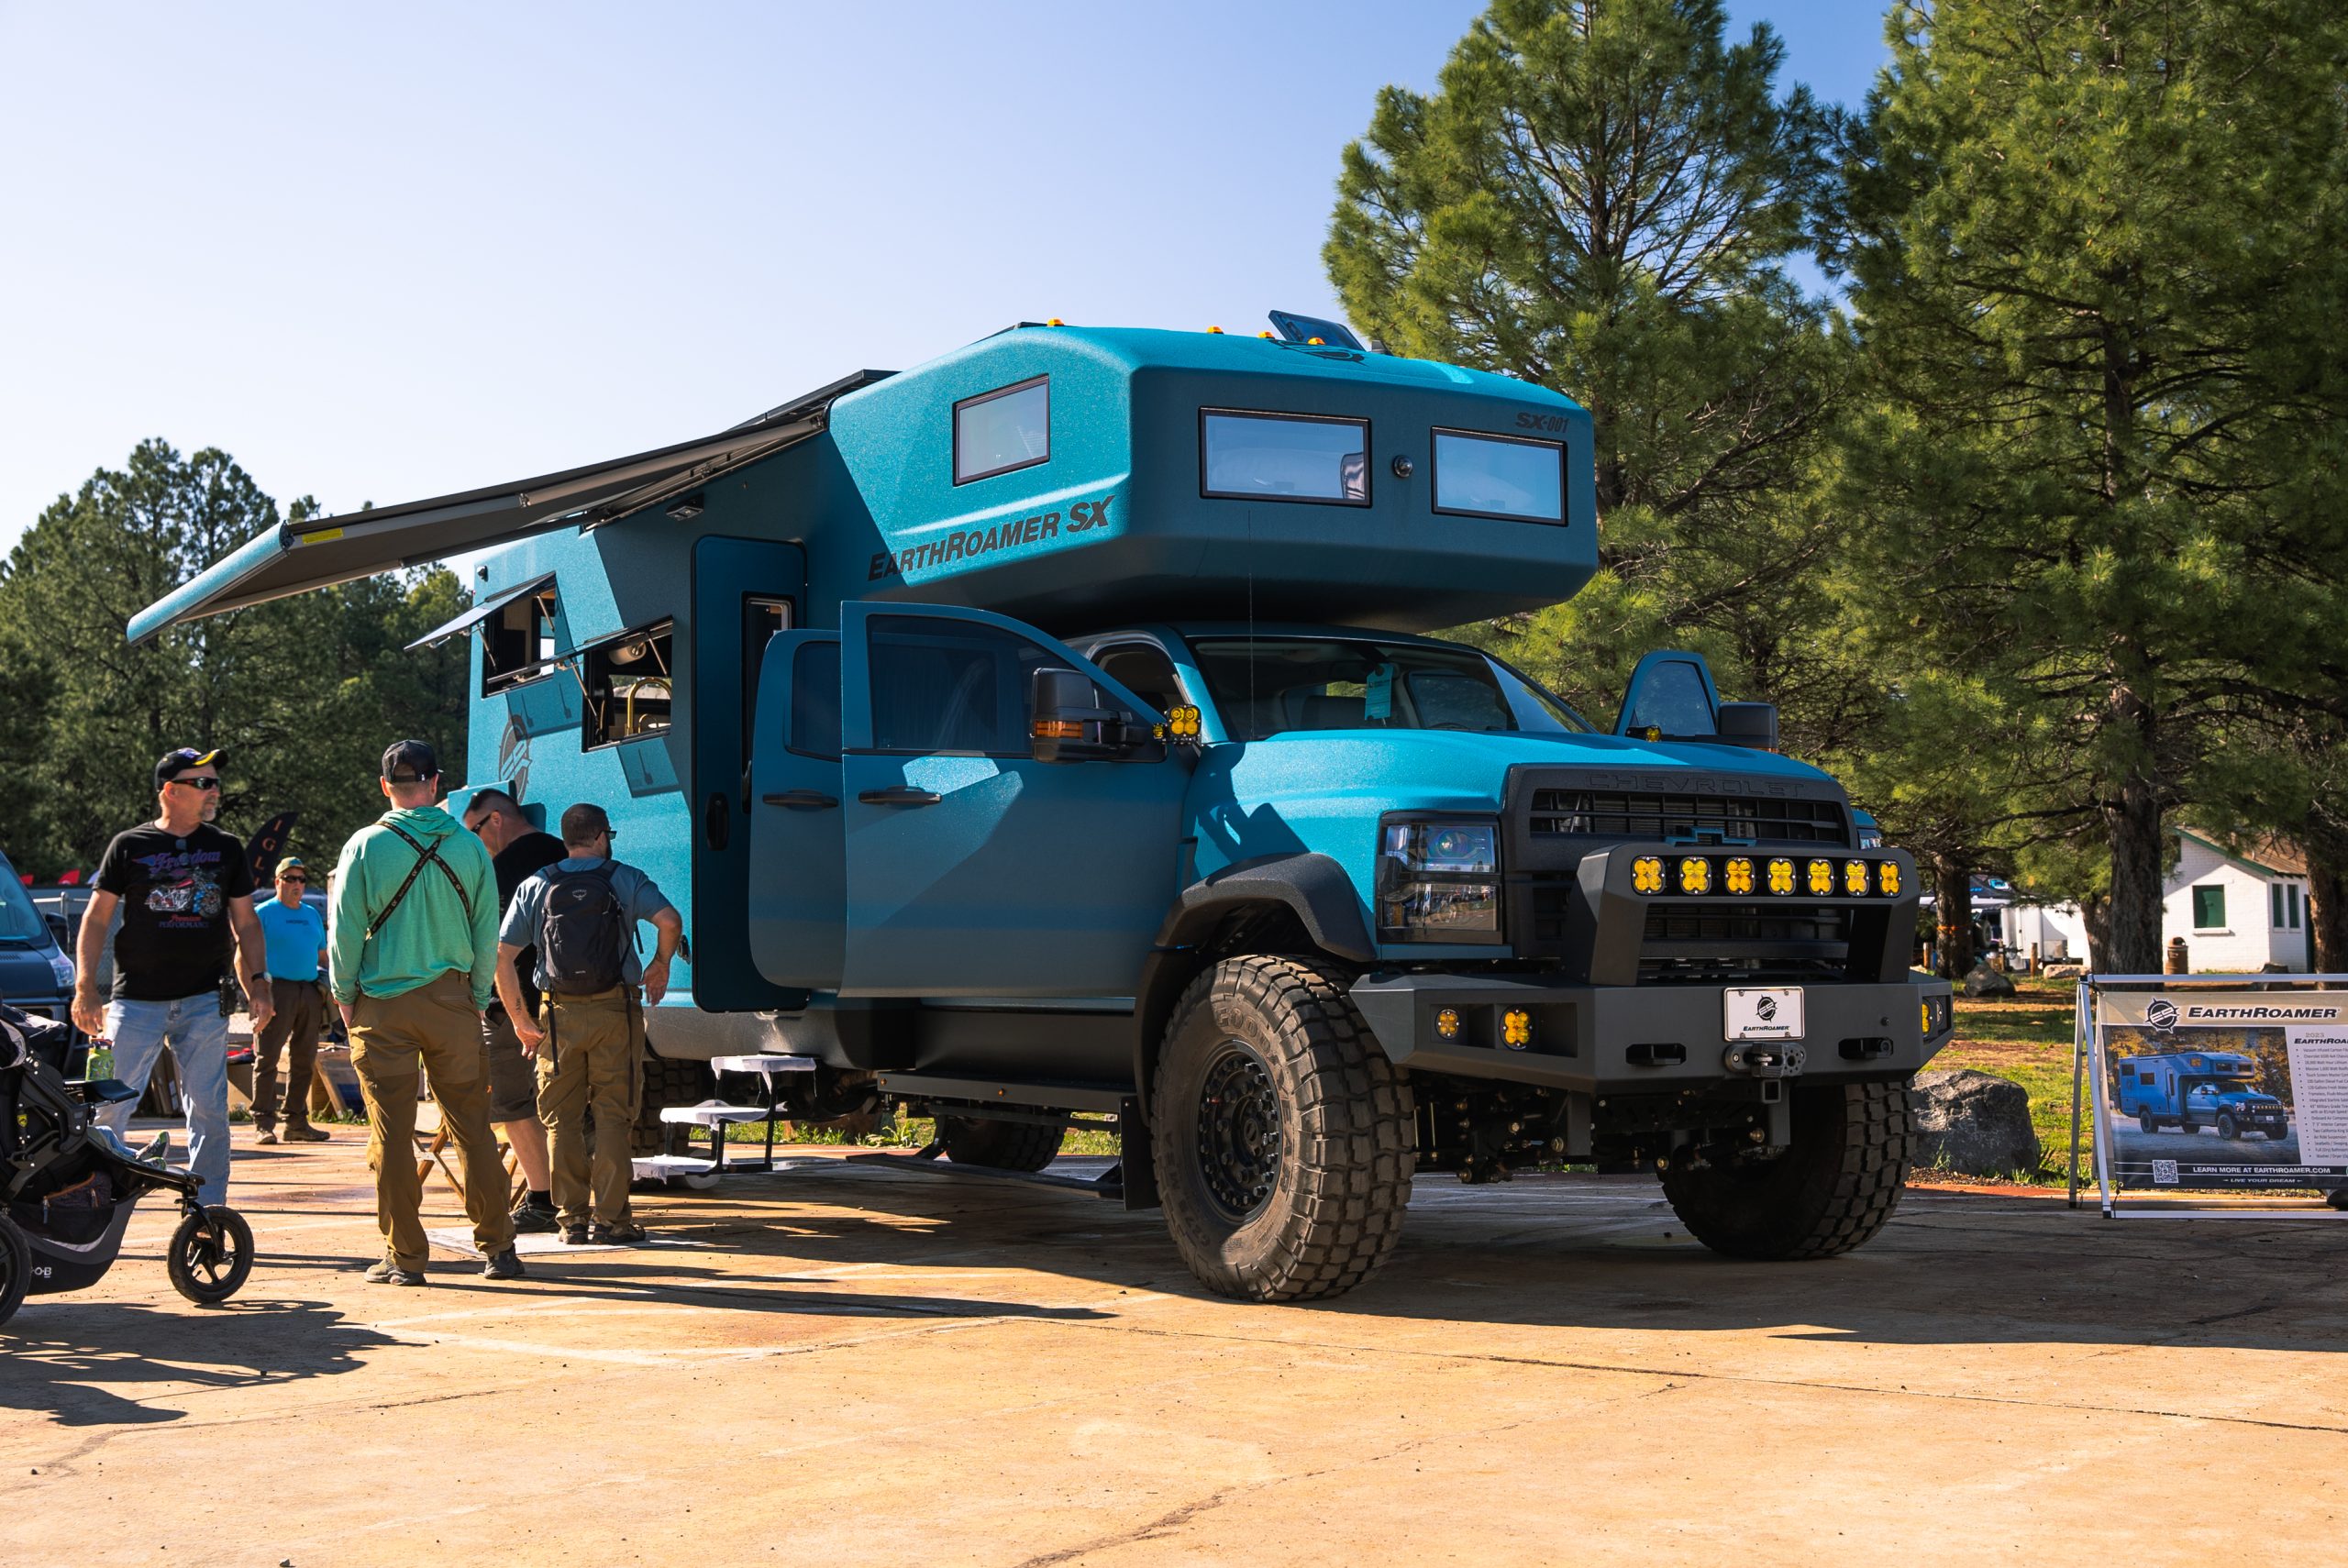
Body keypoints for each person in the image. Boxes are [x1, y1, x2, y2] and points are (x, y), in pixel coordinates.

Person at [328, 740, 520, 1285]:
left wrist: (345, 996)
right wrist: (476, 997)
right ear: (437, 784)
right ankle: (499, 1249)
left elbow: (344, 933)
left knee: (390, 1133)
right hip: (453, 1000)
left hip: (381, 1005)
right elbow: (489, 934)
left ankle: (406, 1258)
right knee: (473, 1128)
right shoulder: (470, 848)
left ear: (385, 786)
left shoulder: (364, 846)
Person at [71, 747, 275, 1204]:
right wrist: (84, 987)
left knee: (208, 1113)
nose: (214, 790)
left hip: (204, 1000)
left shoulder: (225, 847)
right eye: (202, 783)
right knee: (108, 1110)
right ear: (171, 791)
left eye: (214, 782)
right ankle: (88, 1208)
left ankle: (208, 1213)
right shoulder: (130, 845)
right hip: (135, 1002)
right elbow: (96, 919)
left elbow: (246, 923)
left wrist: (259, 983)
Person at [495, 802, 681, 1246]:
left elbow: (501, 956)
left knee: (562, 1120)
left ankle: (572, 1221)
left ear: (566, 839)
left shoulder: (537, 884)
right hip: (616, 1010)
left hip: (557, 1016)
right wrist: (660, 964)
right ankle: (614, 1221)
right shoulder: (625, 877)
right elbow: (670, 921)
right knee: (614, 1116)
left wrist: (521, 1020)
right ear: (601, 836)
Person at [460, 788, 566, 1231]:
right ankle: (578, 1199)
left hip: (512, 1005)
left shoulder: (500, 870)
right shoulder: (562, 854)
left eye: (475, 830)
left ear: (496, 820)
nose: (477, 841)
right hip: (567, 1000)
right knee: (566, 1101)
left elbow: (490, 946)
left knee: (513, 1103)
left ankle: (541, 1199)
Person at [249, 856, 330, 1144]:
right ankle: (263, 1123)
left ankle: (296, 1122)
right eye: (290, 878)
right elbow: (240, 958)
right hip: (275, 990)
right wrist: (254, 996)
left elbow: (322, 956)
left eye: (301, 879)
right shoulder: (263, 913)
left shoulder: (310, 914)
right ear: (277, 882)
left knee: (304, 1059)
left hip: (308, 990)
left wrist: (332, 985)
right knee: (267, 1058)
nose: (297, 884)